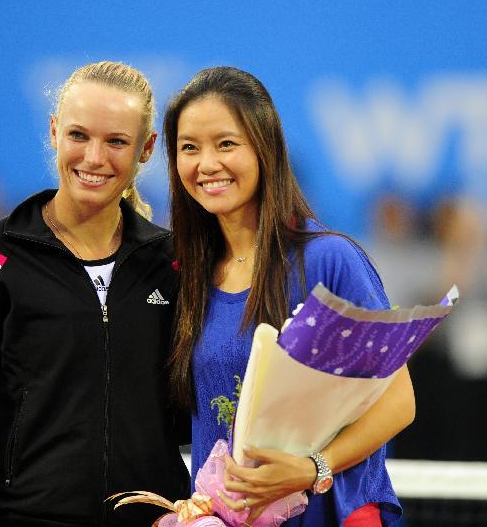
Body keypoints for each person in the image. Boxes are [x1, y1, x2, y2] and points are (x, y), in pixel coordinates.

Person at [0, 61, 190, 526]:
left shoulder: (174, 262)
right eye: (79, 135)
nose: (94, 158)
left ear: (147, 149)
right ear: (54, 132)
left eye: (116, 141)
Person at [164, 67, 415, 526]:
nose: (206, 164)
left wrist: (309, 469)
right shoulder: (186, 276)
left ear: (265, 148)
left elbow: (398, 401)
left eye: (226, 144)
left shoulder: (329, 260)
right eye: (189, 148)